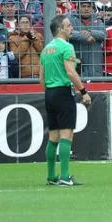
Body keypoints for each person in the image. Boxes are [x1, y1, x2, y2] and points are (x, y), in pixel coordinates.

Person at [39, 15, 91, 186]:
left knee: (53, 136)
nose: (71, 28)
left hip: (50, 93)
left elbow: (41, 77)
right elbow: (70, 72)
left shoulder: (46, 49)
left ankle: (52, 176)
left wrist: (50, 91)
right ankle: (65, 176)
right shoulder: (67, 47)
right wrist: (83, 91)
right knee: (66, 134)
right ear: (60, 29)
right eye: (68, 25)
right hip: (63, 92)